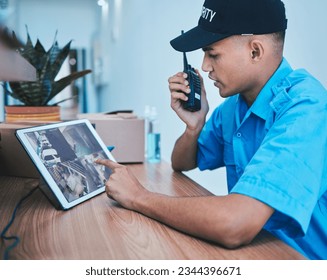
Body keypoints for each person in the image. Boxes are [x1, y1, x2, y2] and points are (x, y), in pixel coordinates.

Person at [96, 0, 327, 259]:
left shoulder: (307, 107)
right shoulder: (234, 106)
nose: (205, 67)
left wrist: (138, 197)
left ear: (255, 51)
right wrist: (194, 127)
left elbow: (235, 224)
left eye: (213, 53)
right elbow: (182, 162)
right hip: (252, 254)